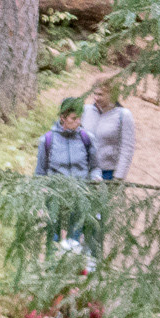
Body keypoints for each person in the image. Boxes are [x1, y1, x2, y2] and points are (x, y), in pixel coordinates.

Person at [34, 96, 97, 247]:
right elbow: (40, 171)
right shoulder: (47, 140)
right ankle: (52, 264)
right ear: (62, 118)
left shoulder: (87, 138)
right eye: (73, 118)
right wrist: (41, 194)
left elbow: (95, 166)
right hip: (55, 196)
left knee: (75, 238)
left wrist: (96, 178)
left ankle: (73, 265)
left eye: (80, 118)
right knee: (53, 238)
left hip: (79, 195)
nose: (78, 122)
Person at [85, 81, 137, 183]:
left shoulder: (123, 115)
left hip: (107, 172)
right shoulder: (86, 111)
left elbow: (127, 148)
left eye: (100, 94)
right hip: (84, 171)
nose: (96, 97)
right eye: (94, 93)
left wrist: (118, 177)